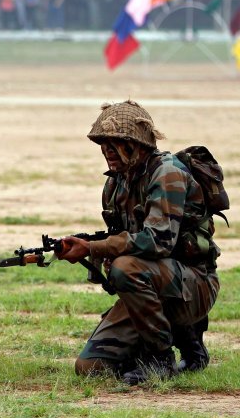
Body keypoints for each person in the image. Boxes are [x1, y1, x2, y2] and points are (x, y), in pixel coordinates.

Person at [58, 100, 220, 385]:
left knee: (126, 267)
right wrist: (91, 253)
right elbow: (123, 242)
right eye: (104, 144)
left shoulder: (167, 172)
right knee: (90, 367)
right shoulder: (115, 184)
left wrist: (96, 247)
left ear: (138, 144)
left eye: (116, 143)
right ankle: (177, 339)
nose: (108, 151)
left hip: (194, 284)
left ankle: (160, 358)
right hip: (154, 285)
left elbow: (158, 243)